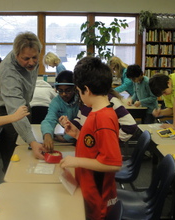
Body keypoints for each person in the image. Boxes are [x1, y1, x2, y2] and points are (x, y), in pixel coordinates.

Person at [59, 57, 122, 220]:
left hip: (98, 196)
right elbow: (95, 144)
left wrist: (76, 162)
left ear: (86, 90)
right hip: (88, 188)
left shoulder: (103, 118)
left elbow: (112, 163)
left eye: (79, 92)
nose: (80, 96)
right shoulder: (97, 112)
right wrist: (78, 135)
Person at [0, 31, 46, 171]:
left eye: (35, 57)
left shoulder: (30, 58)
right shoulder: (8, 73)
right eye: (26, 59)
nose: (31, 62)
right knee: (12, 146)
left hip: (24, 103)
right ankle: (10, 177)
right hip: (7, 109)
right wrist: (32, 141)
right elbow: (15, 111)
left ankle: (28, 172)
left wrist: (31, 141)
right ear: (16, 54)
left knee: (27, 144)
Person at [41, 70, 79, 150]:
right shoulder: (56, 102)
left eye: (68, 90)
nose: (63, 94)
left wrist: (67, 138)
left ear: (75, 88)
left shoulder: (82, 100)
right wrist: (47, 134)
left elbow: (83, 123)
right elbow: (49, 120)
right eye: (60, 91)